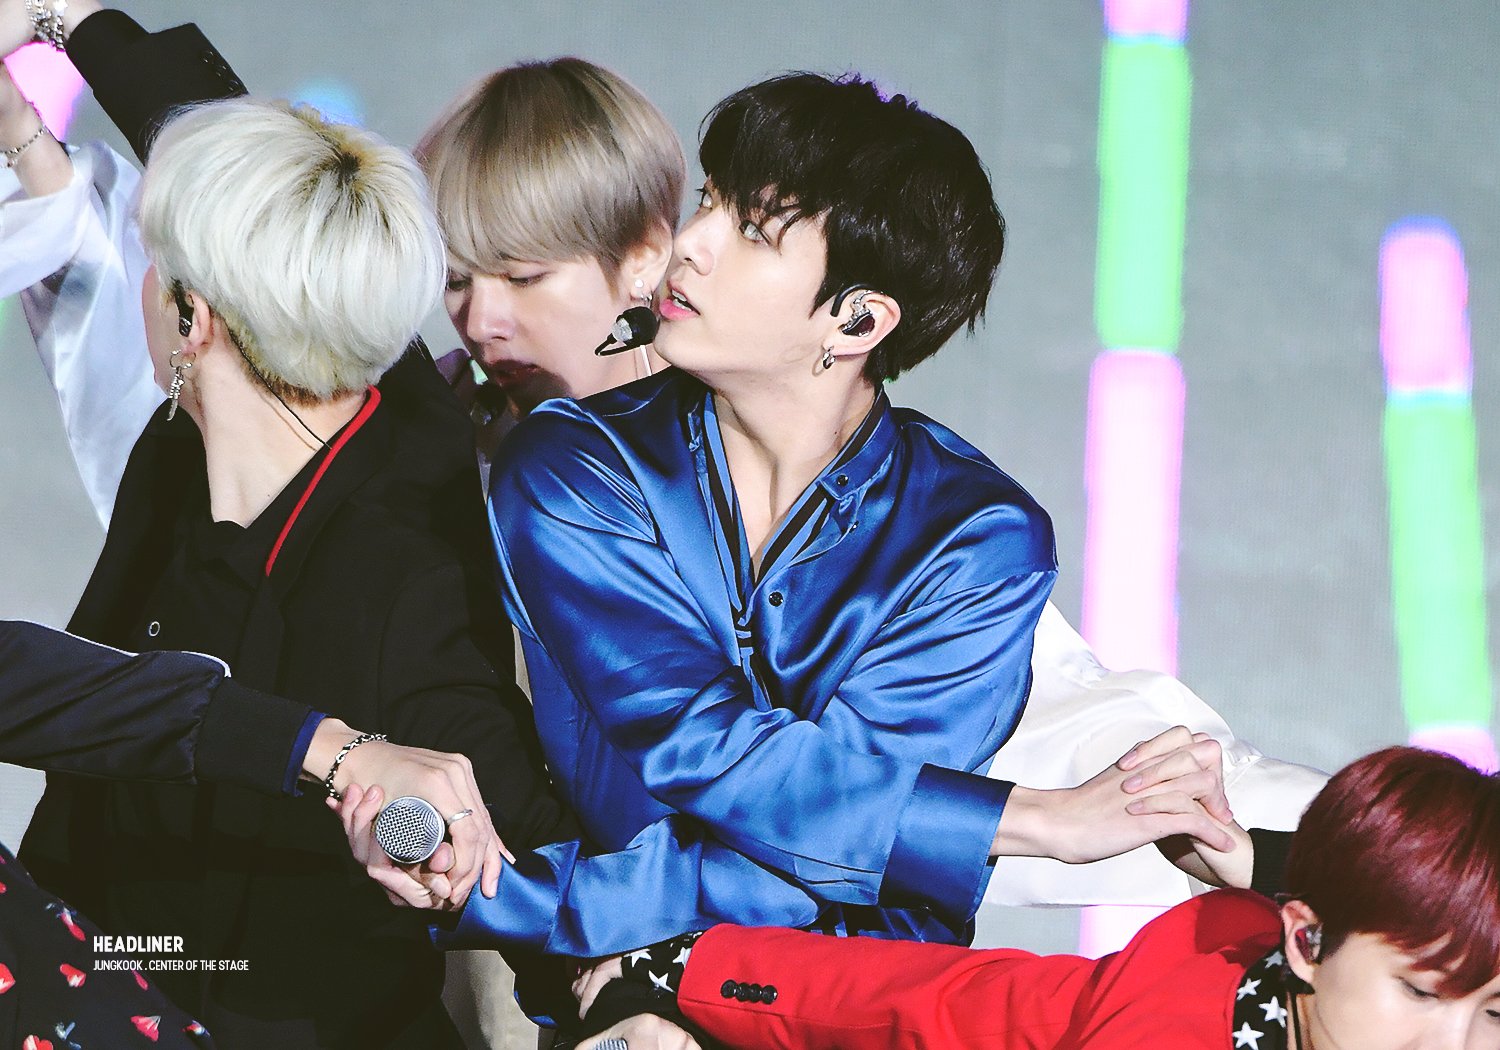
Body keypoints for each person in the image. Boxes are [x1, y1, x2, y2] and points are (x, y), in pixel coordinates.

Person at [1, 1, 1321, 926]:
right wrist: (76, 37)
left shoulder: (890, 514)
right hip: (476, 901)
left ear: (639, 259)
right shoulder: (468, 438)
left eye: (523, 276)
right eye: (455, 278)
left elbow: (1082, 728)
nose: (477, 318)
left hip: (675, 929)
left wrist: (1316, 851)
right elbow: (270, 218)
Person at [339, 72, 1241, 963]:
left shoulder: (977, 538)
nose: (691, 243)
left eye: (753, 230)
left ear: (855, 322)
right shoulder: (574, 466)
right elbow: (699, 745)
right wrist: (1033, 823)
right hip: (616, 972)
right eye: (709, 201)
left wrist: (542, 906)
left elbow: (833, 863)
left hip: (850, 989)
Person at [9, 94, 575, 1048]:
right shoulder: (176, 453)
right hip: (87, 963)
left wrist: (630, 995)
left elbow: (531, 854)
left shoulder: (399, 576)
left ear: (192, 318)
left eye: (153, 266)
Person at [573, 746, 1500, 1050]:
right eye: (1420, 992)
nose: (1460, 1044)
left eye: (1495, 1009)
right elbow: (927, 1006)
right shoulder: (1158, 1024)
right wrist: (681, 970)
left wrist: (1261, 859)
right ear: (1306, 943)